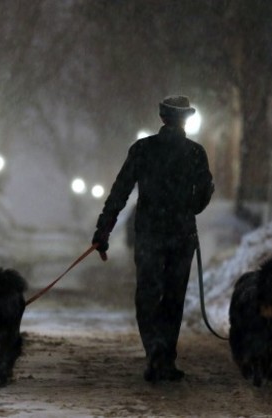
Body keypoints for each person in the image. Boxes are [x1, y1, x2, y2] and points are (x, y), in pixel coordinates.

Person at [92, 95, 214, 382]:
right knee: (173, 297)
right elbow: (203, 196)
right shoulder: (196, 153)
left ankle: (154, 353)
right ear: (185, 119)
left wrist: (103, 230)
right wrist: (189, 205)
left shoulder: (143, 149)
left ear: (162, 119)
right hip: (181, 235)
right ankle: (165, 358)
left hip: (149, 235)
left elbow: (120, 191)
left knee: (147, 294)